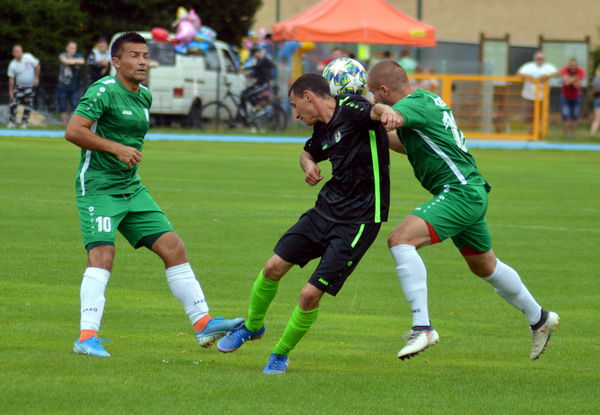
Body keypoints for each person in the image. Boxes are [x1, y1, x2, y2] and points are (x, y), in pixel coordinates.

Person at [65, 32, 243, 358]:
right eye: (134, 55)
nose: (143, 62)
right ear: (116, 62)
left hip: (131, 187)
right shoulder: (103, 90)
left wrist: (124, 155)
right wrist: (117, 149)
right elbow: (74, 131)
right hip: (100, 188)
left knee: (174, 248)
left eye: (145, 56)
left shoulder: (144, 96)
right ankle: (86, 337)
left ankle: (203, 323)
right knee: (103, 255)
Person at [367, 61, 559, 361]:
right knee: (484, 266)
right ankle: (540, 318)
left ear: (384, 90)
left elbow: (394, 117)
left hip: (458, 192)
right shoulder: (426, 101)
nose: (374, 99)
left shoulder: (413, 105)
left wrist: (376, 111)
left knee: (400, 240)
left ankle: (423, 328)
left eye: (374, 94)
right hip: (469, 190)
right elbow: (404, 142)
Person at [216, 73, 402, 374]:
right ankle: (252, 327)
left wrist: (389, 112)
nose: (295, 113)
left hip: (359, 221)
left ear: (308, 96)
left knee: (309, 294)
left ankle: (280, 354)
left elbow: (375, 110)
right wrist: (309, 164)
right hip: (324, 211)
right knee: (272, 267)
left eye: (294, 105)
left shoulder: (351, 107)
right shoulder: (321, 127)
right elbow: (307, 152)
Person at [516, 51, 559, 134]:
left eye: (541, 59)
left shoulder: (548, 67)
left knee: (541, 116)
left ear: (544, 59)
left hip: (542, 97)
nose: (539, 60)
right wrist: (527, 76)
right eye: (538, 59)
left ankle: (539, 132)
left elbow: (558, 73)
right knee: (528, 116)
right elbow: (518, 75)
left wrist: (547, 75)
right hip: (528, 96)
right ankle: (531, 132)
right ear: (534, 59)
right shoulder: (528, 66)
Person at [6, 44, 41, 129]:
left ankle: (24, 123)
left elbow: (37, 66)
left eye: (20, 51)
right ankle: (12, 121)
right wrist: (11, 92)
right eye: (17, 52)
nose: (19, 53)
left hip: (29, 87)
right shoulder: (12, 64)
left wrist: (36, 78)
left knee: (28, 105)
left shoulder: (28, 57)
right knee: (13, 104)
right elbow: (11, 79)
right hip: (19, 87)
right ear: (13, 53)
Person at [239, 47, 275, 119]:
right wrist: (250, 75)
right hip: (258, 83)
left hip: (263, 84)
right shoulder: (259, 62)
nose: (255, 57)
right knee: (244, 94)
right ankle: (247, 114)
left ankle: (258, 109)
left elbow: (258, 67)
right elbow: (256, 71)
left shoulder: (264, 61)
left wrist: (246, 68)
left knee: (249, 95)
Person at [58, 41, 85, 127]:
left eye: (74, 48)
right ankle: (64, 124)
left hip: (74, 85)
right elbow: (65, 61)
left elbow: (82, 61)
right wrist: (74, 62)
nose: (73, 50)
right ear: (67, 48)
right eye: (71, 48)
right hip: (63, 84)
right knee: (62, 105)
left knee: (75, 105)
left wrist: (71, 61)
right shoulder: (63, 55)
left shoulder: (78, 56)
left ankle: (72, 125)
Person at [559, 58, 585, 139]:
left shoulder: (580, 71)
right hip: (565, 96)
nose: (573, 67)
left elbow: (578, 86)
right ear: (568, 65)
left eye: (574, 65)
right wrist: (575, 78)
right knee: (565, 115)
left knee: (575, 115)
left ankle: (573, 134)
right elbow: (566, 82)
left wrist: (570, 79)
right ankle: (566, 134)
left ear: (577, 66)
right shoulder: (564, 70)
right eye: (571, 65)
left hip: (576, 97)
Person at [590, 65, 600, 137]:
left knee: (597, 119)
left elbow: (593, 90)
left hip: (597, 98)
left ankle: (592, 133)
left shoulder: (595, 79)